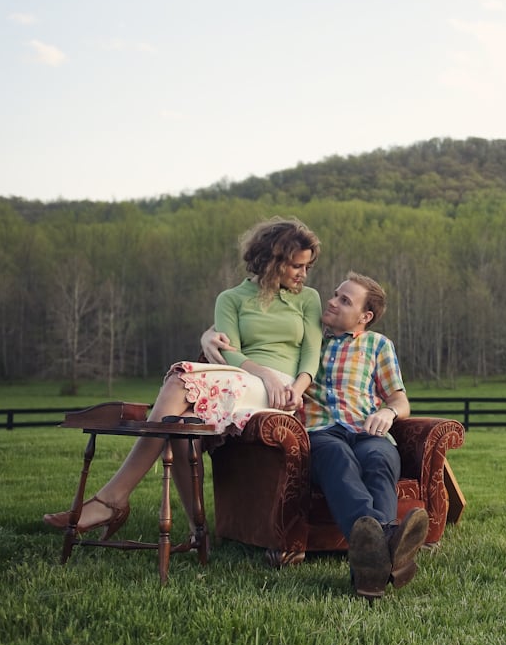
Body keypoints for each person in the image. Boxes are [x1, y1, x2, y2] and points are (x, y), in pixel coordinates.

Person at [43, 217, 323, 541]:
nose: (303, 274)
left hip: (282, 389)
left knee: (179, 380)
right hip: (244, 376)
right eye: (296, 266)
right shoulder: (230, 299)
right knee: (179, 424)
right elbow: (227, 353)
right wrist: (261, 373)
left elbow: (310, 356)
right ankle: (198, 530)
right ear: (272, 261)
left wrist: (293, 388)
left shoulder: (308, 299)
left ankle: (112, 499)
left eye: (307, 267)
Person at [202, 271, 428, 600]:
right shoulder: (307, 340)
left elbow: (399, 399)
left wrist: (388, 412)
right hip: (321, 432)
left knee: (380, 460)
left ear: (365, 316)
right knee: (338, 460)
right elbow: (256, 334)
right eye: (335, 294)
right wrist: (207, 334)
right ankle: (388, 539)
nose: (332, 301)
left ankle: (372, 562)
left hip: (368, 431)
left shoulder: (379, 346)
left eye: (344, 300)